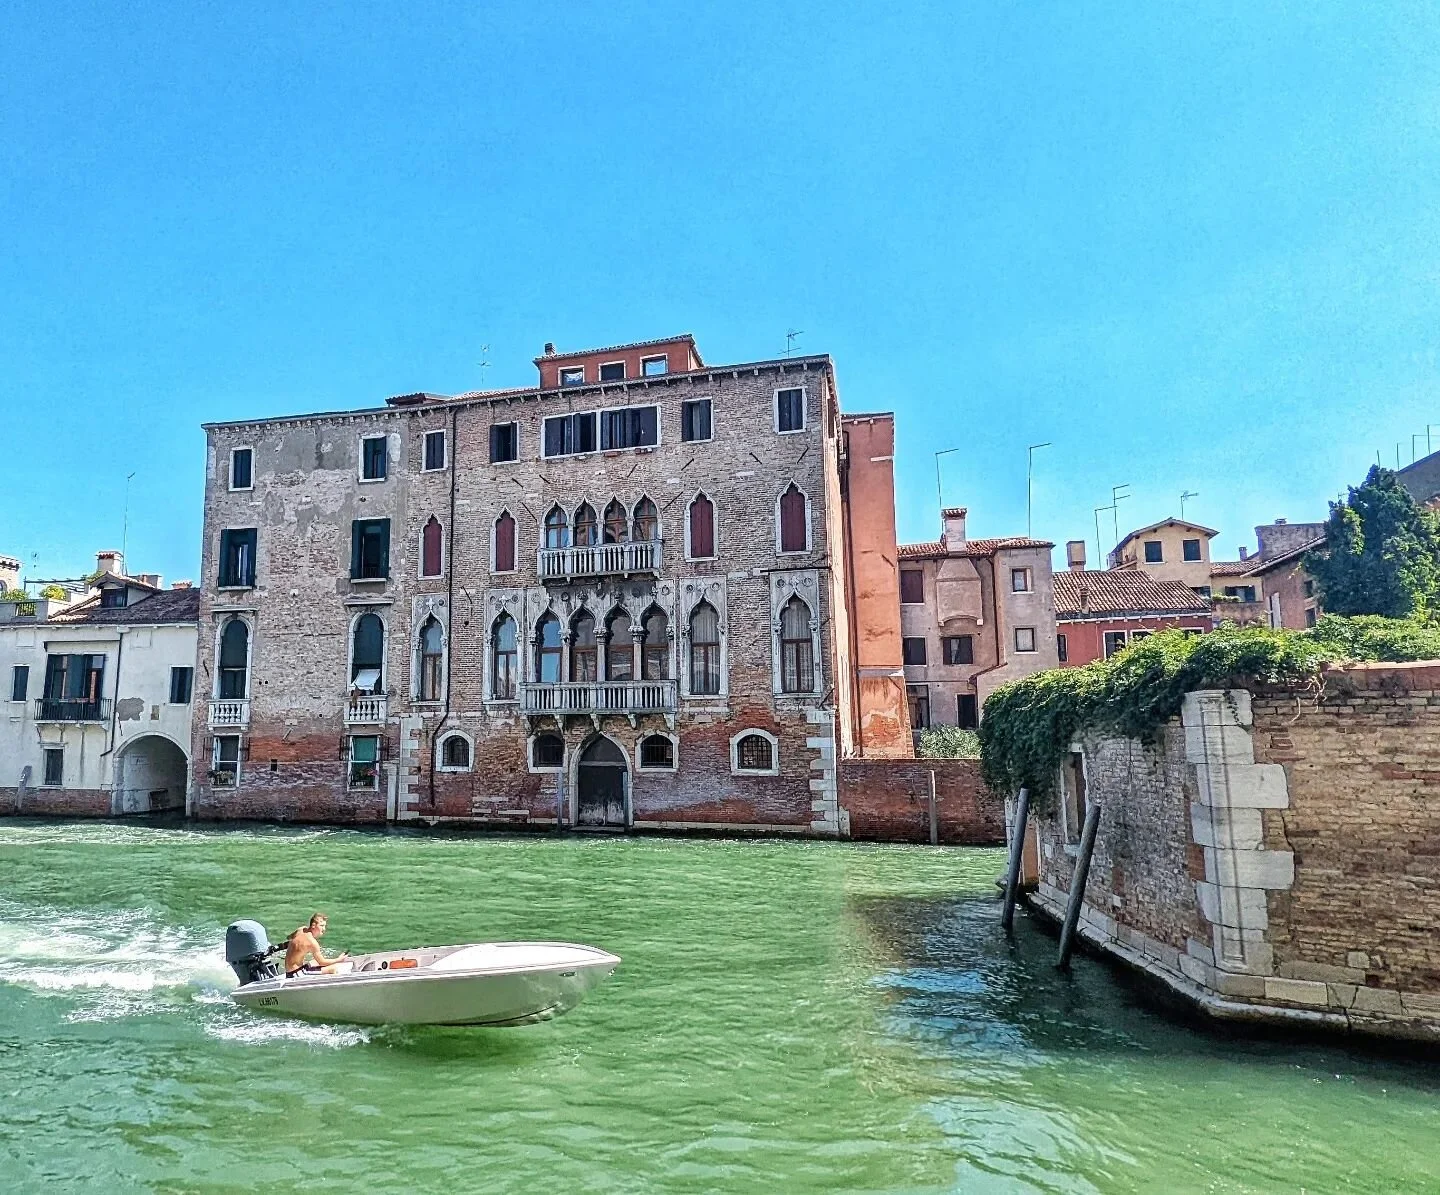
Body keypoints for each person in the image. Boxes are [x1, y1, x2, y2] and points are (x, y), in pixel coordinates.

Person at [284, 913, 349, 978]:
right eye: (321, 926)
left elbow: (289, 938)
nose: (324, 929)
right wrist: (338, 960)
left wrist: (295, 947)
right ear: (313, 925)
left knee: (315, 962)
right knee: (333, 968)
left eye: (324, 926)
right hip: (296, 974)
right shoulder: (312, 942)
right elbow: (322, 962)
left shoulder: (301, 929)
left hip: (290, 971)